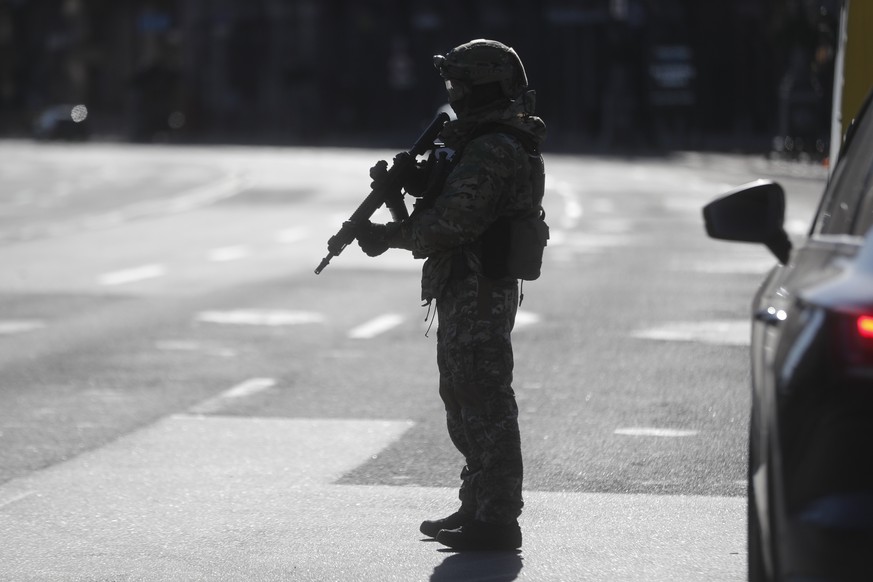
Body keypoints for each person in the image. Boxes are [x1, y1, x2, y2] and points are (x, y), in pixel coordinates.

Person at [355, 38, 547, 551]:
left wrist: (388, 236)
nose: (453, 93)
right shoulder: (475, 141)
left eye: (459, 84)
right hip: (463, 285)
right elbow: (446, 199)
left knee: (485, 400)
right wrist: (412, 184)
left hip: (481, 287)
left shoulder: (493, 147)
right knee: (462, 399)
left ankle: (499, 519)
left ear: (483, 86)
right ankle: (477, 504)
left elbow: (453, 223)